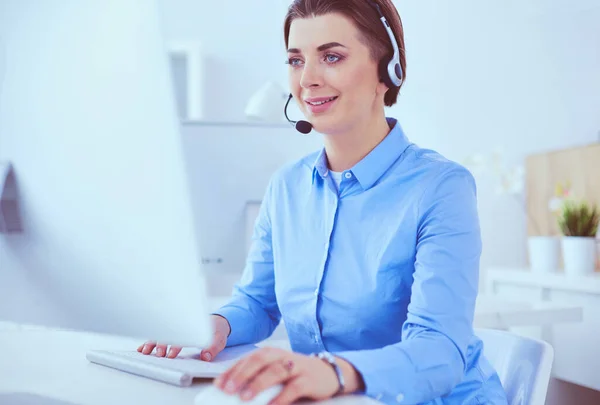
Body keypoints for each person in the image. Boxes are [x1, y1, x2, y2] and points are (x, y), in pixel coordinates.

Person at [139, 0, 509, 404]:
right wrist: (216, 325)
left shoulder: (441, 187)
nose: (308, 79)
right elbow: (257, 303)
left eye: (331, 57)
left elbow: (439, 350)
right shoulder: (287, 187)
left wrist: (333, 372)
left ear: (388, 70)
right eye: (296, 61)